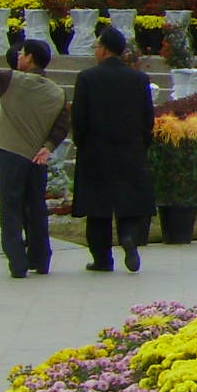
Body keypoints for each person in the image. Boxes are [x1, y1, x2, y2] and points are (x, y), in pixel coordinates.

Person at [0, 40, 71, 279]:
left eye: (21, 53)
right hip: (37, 158)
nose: (18, 56)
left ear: (30, 58)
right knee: (36, 207)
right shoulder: (57, 92)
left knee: (10, 208)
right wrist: (48, 146)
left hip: (12, 153)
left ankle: (17, 262)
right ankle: (41, 259)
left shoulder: (14, 81)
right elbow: (62, 125)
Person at [71, 23, 156, 273]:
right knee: (129, 200)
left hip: (96, 151)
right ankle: (129, 236)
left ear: (105, 50)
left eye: (96, 46)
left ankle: (102, 259)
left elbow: (80, 118)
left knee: (98, 208)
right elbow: (147, 118)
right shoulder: (139, 79)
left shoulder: (87, 78)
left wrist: (82, 142)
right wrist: (141, 144)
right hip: (130, 149)